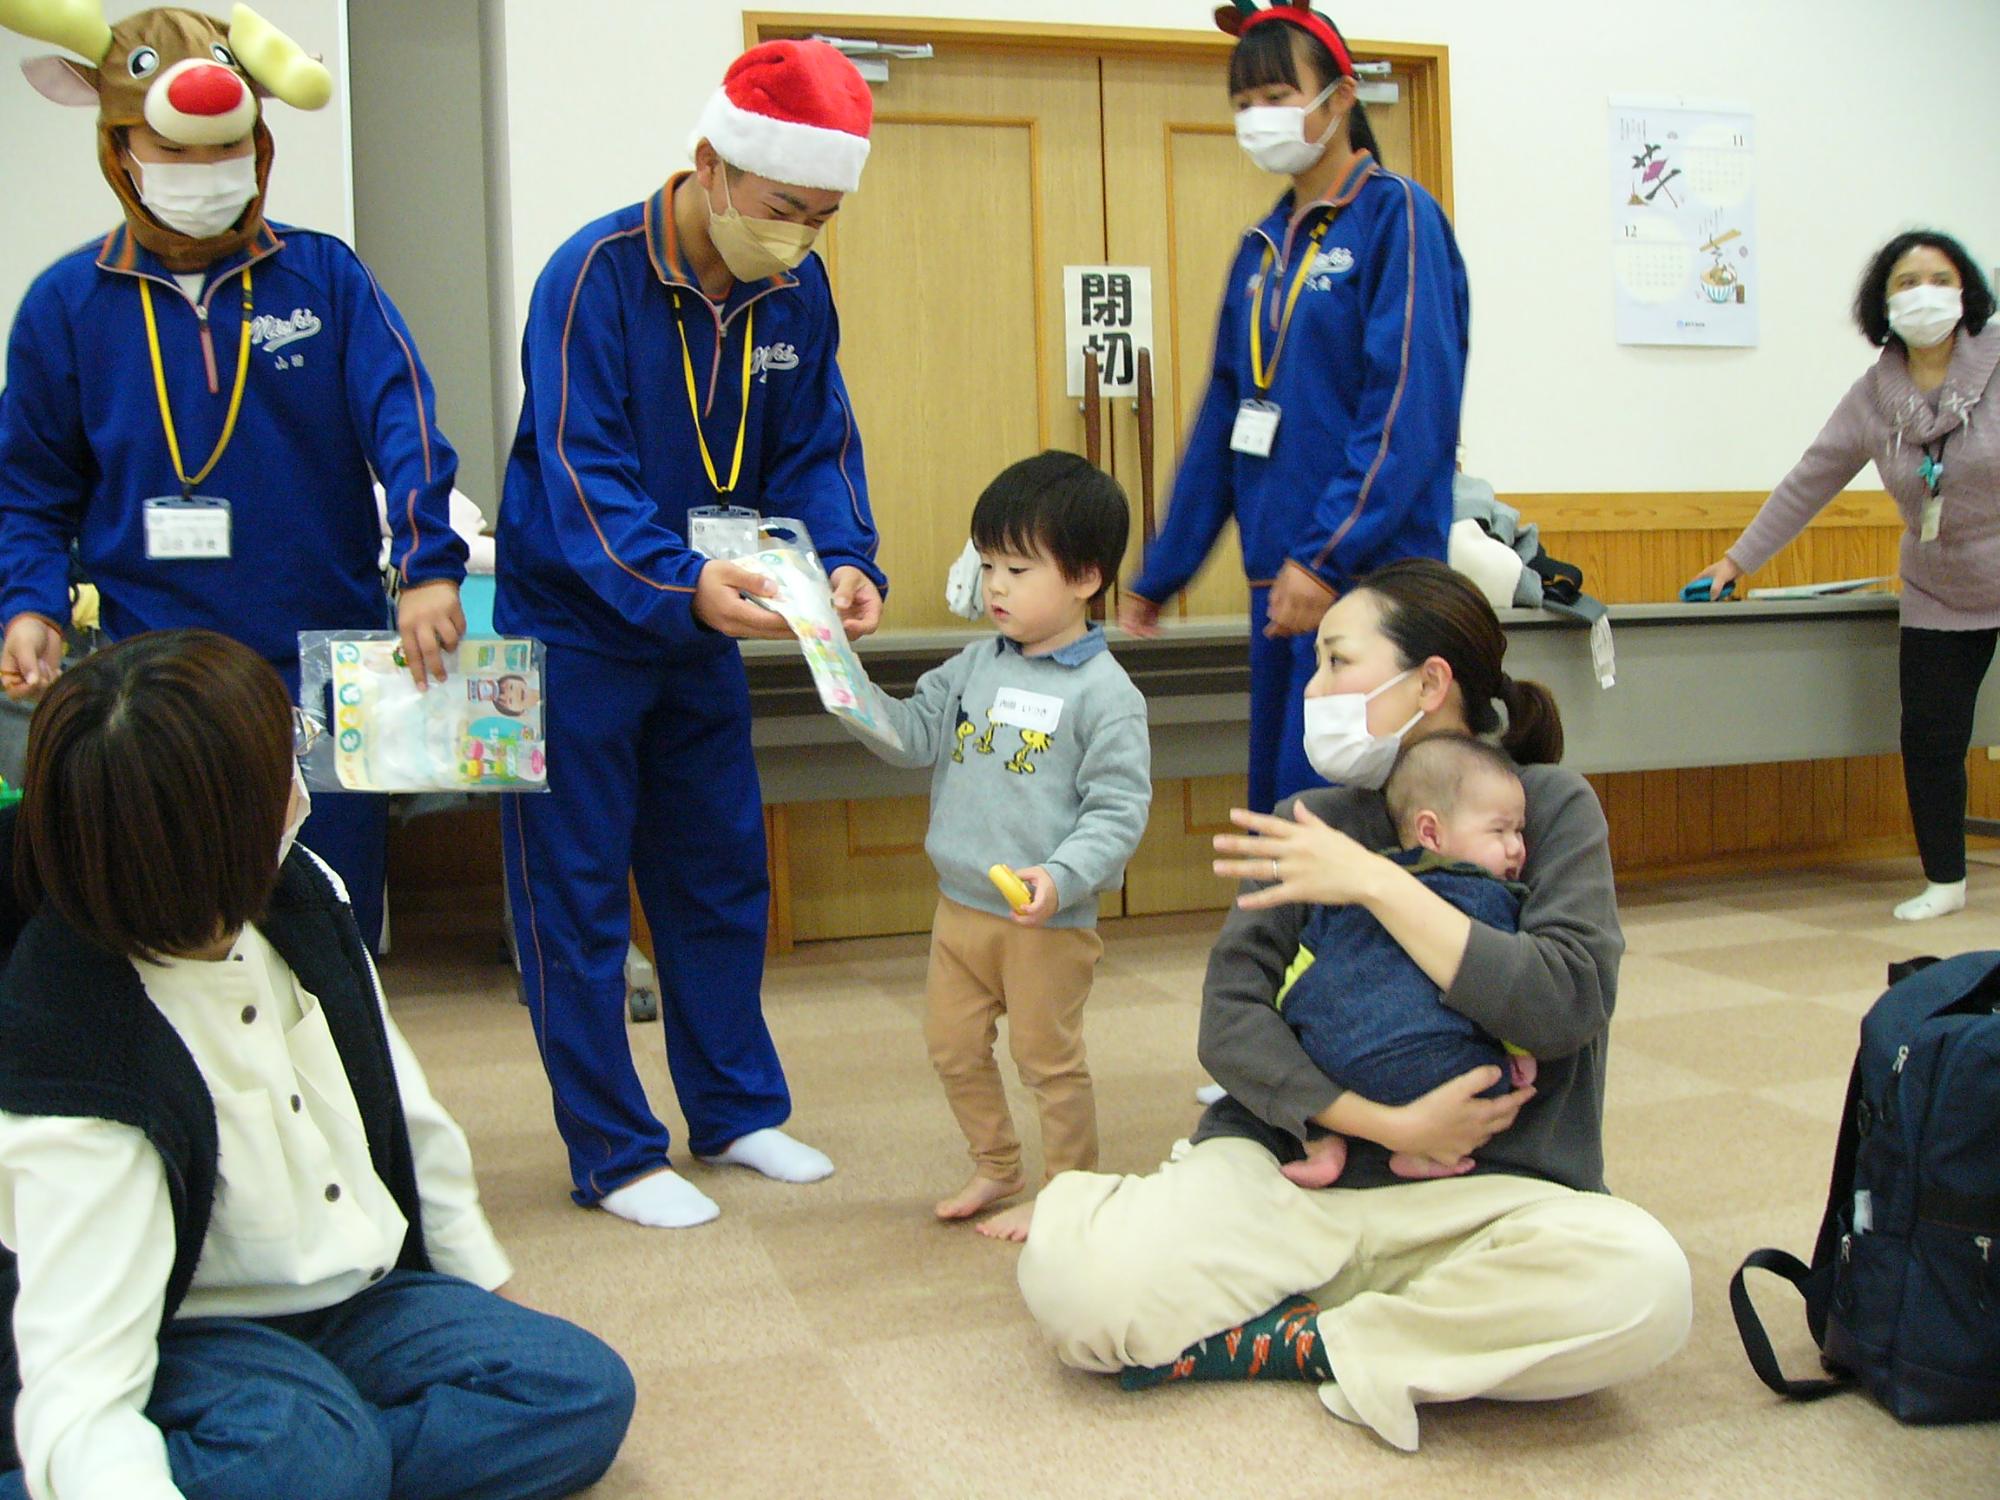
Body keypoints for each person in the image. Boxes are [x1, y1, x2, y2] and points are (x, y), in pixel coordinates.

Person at [1017, 559, 1690, 1453]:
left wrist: (1376, 883)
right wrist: (1382, 1123)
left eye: (1338, 661)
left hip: (1486, 1197)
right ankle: (1380, 1325)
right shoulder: (1308, 814)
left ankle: (1315, 1335)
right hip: (1297, 1179)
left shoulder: (1543, 807)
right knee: (1076, 1285)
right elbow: (1230, 1020)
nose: (1318, 686)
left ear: (1431, 681)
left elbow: (1563, 1006)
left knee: (1644, 1285)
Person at [0, 630, 634, 1500]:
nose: (303, 772)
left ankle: (329, 1465)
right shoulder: (78, 1039)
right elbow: (76, 1379)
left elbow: (407, 1111)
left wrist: (479, 1293)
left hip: (354, 1298)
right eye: (286, 755)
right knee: (300, 1455)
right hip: (193, 1330)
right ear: (220, 830)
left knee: (577, 1390)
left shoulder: (300, 892)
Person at [494, 39, 887, 1229]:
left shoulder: (793, 287)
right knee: (576, 901)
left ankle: (734, 1111)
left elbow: (815, 444)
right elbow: (580, 474)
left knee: (717, 874)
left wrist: (844, 557)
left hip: (700, 632)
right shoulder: (590, 275)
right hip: (578, 633)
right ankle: (614, 1152)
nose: (800, 237)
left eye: (822, 217)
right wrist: (678, 586)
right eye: (784, 210)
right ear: (709, 167)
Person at [0, 3, 468, 955]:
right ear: (121, 147)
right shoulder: (66, 303)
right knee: (178, 924)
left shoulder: (325, 280)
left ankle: (351, 1099)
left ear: (257, 151)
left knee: (328, 923)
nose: (202, 179)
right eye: (174, 155)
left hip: (321, 665)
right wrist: (30, 604)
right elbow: (29, 485)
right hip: (154, 678)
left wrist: (428, 564)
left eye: (225, 154)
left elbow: (406, 423)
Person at [1117, 1, 1470, 817]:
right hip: (1281, 583)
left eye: (1277, 94)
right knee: (1287, 807)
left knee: (1364, 811)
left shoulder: (1398, 218)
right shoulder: (1263, 245)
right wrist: (1164, 568)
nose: (1257, 118)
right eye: (1243, 103)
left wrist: (1326, 552)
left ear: (1340, 98)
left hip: (1368, 581)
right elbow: (1224, 417)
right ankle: (1287, 949)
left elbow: (1407, 407)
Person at [842, 452, 1151, 1240]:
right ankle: (997, 1166)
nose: (995, 588)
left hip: (1044, 922)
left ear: (1085, 576)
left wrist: (1061, 874)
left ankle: (1070, 1190)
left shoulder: (1106, 694)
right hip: (960, 909)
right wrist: (841, 679)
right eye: (986, 566)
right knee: (951, 1046)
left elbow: (1118, 811)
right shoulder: (973, 666)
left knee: (1048, 1063)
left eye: (1017, 568)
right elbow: (911, 736)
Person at [1694, 230, 2000, 923]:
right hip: (1937, 585)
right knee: (1929, 734)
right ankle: (1945, 879)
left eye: (1938, 277)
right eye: (1905, 281)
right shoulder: (1874, 395)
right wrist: (1738, 559)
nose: (1923, 293)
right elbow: (1811, 479)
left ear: (1966, 292)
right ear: (1882, 302)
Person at [1277, 732, 1533, 1190]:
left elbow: (1306, 958)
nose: (1517, 848)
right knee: (1496, 1084)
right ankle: (1416, 1154)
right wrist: (1520, 1053)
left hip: (1326, 1060)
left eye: (1519, 831)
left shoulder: (1351, 878)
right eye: (1500, 831)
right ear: (1431, 831)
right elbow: (1505, 987)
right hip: (1427, 1066)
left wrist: (1292, 1012)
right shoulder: (1486, 895)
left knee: (1306, 1068)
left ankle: (1324, 1140)